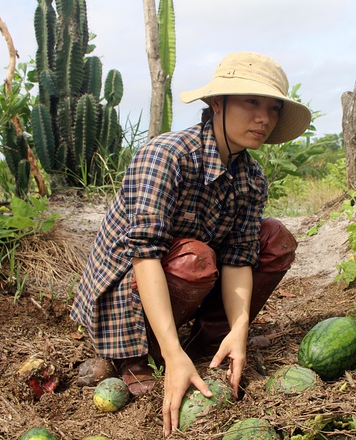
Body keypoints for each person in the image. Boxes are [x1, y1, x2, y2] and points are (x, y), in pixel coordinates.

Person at [70, 51, 311, 435]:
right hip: (126, 290)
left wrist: (240, 327)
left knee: (274, 237)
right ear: (218, 103)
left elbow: (239, 258)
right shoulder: (165, 156)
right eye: (251, 102)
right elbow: (145, 256)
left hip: (189, 271)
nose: (263, 118)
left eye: (273, 108)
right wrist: (170, 351)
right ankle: (141, 350)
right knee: (195, 257)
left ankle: (211, 340)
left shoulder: (252, 178)